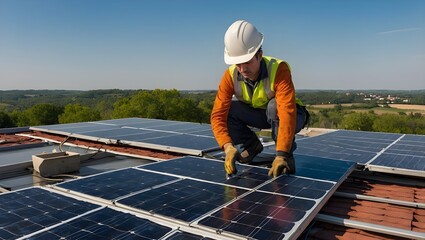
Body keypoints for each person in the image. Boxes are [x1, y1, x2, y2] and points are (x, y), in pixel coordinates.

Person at [210, 20, 309, 178]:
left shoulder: (278, 69)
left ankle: (286, 157)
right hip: (261, 115)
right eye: (238, 64)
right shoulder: (230, 76)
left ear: (259, 55)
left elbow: (286, 113)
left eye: (247, 62)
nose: (242, 69)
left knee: (274, 106)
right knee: (230, 109)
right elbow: (218, 116)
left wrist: (282, 154)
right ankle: (251, 146)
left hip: (293, 115)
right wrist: (227, 146)